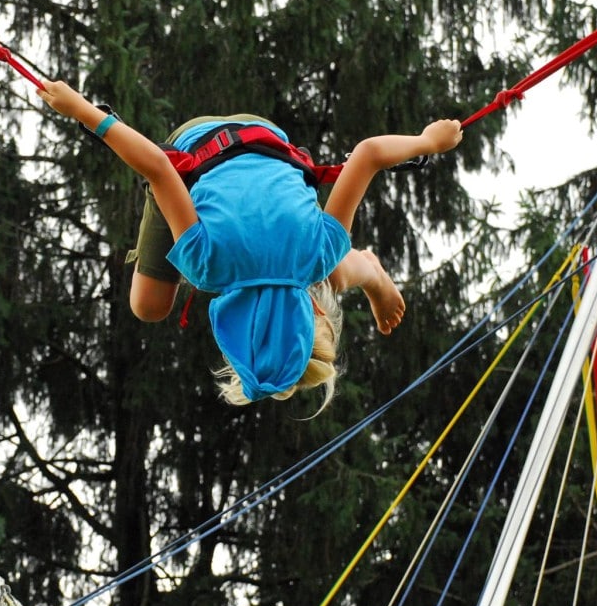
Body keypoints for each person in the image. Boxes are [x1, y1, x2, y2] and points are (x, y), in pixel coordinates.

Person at [38, 80, 463, 408]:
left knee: (326, 268)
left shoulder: (317, 256)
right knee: (149, 307)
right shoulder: (207, 266)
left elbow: (368, 154)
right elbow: (159, 168)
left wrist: (428, 141)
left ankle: (364, 268)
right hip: (194, 144)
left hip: (270, 137)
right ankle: (366, 268)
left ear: (310, 310)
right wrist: (83, 111)